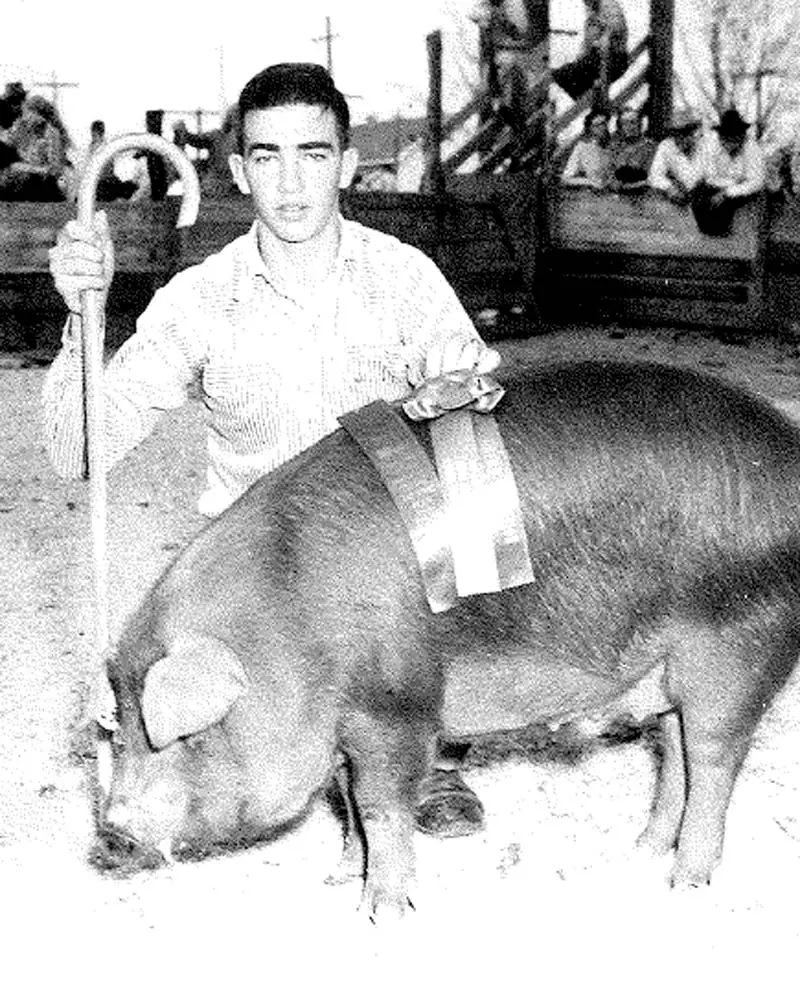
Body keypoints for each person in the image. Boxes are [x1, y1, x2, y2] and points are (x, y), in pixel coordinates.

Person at [43, 62, 500, 840]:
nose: (290, 183)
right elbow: (80, 452)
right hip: (258, 582)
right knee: (216, 733)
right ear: (238, 170)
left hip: (377, 571)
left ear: (347, 166)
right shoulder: (199, 299)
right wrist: (80, 317)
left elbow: (476, 415)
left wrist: (462, 389)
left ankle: (431, 749)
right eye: (267, 156)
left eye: (312, 155)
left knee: (472, 489)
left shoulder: (405, 279)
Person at [690, 107, 766, 237]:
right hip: (712, 186)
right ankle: (707, 234)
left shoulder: (753, 149)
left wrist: (726, 194)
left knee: (723, 209)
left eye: (734, 139)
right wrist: (696, 184)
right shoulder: (710, 144)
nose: (728, 144)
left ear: (741, 137)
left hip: (738, 190)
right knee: (698, 201)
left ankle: (722, 235)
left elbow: (756, 181)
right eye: (725, 138)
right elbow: (700, 171)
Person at [551, 0, 629, 104]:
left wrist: (605, 37)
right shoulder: (591, 13)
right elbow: (587, 43)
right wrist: (581, 56)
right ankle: (585, 103)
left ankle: (589, 104)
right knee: (562, 74)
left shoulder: (608, 5)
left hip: (613, 59)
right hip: (595, 59)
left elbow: (616, 26)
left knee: (567, 75)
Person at [0, 93, 71, 201]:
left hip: (42, 179)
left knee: (17, 173)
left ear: (38, 114)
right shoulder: (24, 130)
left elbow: (54, 169)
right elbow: (7, 140)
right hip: (27, 174)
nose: (25, 117)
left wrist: (31, 168)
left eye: (28, 113)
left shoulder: (51, 134)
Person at [173, 106, 241, 198]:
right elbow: (194, 140)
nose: (237, 121)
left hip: (232, 183)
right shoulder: (217, 136)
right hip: (214, 180)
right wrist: (182, 131)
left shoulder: (244, 140)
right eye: (235, 117)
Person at [648, 108, 704, 205]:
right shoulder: (666, 146)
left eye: (687, 133)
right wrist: (669, 188)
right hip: (681, 198)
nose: (682, 138)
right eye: (677, 133)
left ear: (693, 132)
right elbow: (655, 175)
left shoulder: (704, 145)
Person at [607, 105, 655, 193]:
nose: (629, 127)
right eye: (624, 123)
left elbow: (651, 175)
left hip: (641, 193)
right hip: (617, 193)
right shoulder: (614, 146)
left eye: (633, 122)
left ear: (640, 124)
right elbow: (610, 171)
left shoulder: (649, 147)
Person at [560, 108, 611, 189]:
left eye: (604, 124)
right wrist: (589, 182)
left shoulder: (612, 147)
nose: (602, 128)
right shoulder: (582, 148)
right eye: (597, 125)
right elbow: (566, 178)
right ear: (590, 128)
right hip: (591, 192)